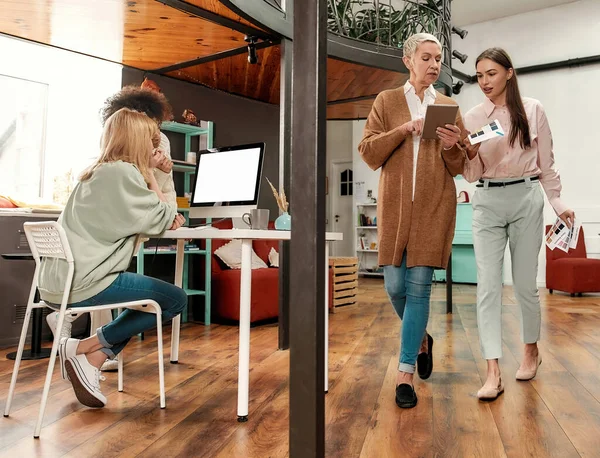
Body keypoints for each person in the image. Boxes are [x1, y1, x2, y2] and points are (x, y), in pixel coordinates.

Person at [38, 108, 186, 408]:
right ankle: (84, 349)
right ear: (136, 140)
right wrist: (156, 174)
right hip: (88, 280)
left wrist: (149, 171)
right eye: (150, 140)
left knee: (143, 303)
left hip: (57, 282)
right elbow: (167, 218)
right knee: (174, 299)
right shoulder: (123, 174)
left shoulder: (94, 173)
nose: (154, 148)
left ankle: (89, 356)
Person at [358, 33, 465, 408]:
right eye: (427, 58)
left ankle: (404, 374)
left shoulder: (448, 105)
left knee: (419, 288)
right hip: (395, 208)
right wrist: (404, 129)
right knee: (393, 286)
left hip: (435, 206)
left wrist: (452, 146)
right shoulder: (386, 101)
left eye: (438, 59)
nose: (434, 65)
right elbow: (369, 151)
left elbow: (460, 166)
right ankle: (421, 339)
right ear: (408, 61)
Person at [461, 48, 574, 400]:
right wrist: (466, 151)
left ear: (509, 73)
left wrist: (557, 202)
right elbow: (472, 173)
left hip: (527, 199)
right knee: (488, 288)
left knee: (525, 285)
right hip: (487, 202)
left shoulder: (533, 109)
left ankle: (530, 350)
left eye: (491, 74)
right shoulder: (474, 116)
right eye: (479, 76)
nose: (484, 82)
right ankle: (492, 371)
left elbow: (546, 163)